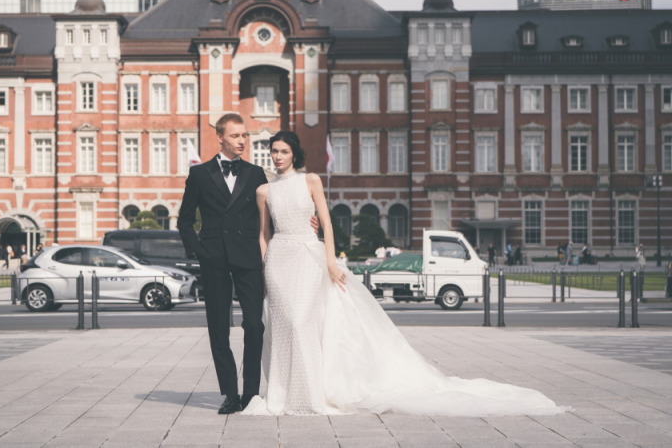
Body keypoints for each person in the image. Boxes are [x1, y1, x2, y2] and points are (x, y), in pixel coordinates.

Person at [242, 130, 567, 417]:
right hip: (279, 261)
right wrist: (264, 268)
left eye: (283, 151)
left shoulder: (310, 180)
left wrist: (330, 262)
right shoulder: (264, 191)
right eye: (273, 151)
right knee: (282, 325)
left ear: (295, 154)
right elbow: (262, 235)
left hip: (309, 256)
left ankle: (308, 394)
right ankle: (281, 395)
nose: (278, 156)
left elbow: (326, 223)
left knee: (302, 323)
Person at [177, 113, 270, 415]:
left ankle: (252, 393)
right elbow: (185, 220)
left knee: (254, 325)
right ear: (220, 137)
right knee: (219, 327)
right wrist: (200, 251)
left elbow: (269, 216)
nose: (242, 141)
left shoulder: (256, 173)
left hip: (248, 256)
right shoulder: (200, 174)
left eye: (245, 135)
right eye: (235, 136)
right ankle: (230, 393)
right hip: (214, 258)